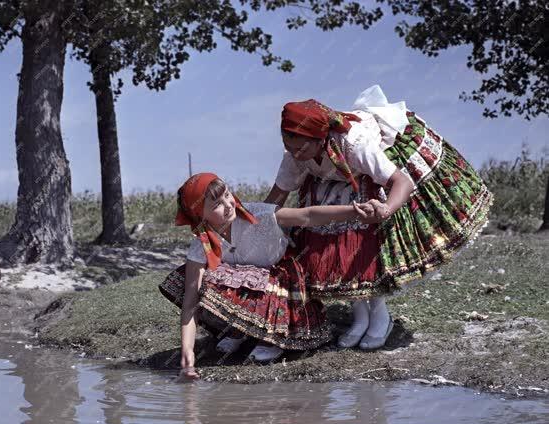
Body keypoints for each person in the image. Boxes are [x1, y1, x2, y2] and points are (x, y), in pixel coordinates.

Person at [264, 85, 493, 351]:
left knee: (365, 245)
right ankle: (360, 317)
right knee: (335, 246)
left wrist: (386, 209)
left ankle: (380, 316)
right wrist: (252, 222)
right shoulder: (296, 154)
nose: (295, 154)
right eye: (288, 146)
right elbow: (277, 196)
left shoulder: (354, 144)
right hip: (335, 179)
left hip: (372, 175)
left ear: (320, 139)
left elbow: (401, 182)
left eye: (300, 148)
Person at [158, 172, 374, 379]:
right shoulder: (202, 243)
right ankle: (240, 330)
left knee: (255, 279)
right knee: (194, 280)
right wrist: (188, 351)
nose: (228, 205)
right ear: (199, 215)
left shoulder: (260, 214)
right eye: (217, 205)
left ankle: (273, 339)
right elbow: (191, 301)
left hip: (281, 280)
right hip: (248, 285)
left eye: (227, 195)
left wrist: (354, 211)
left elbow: (307, 215)